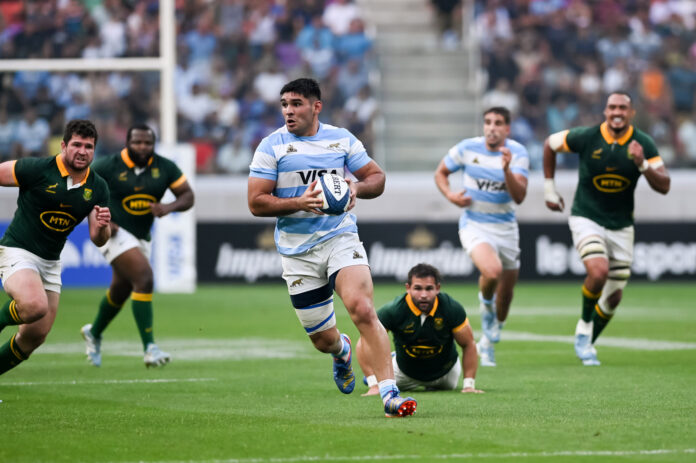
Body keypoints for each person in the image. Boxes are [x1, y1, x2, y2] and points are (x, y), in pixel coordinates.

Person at [247, 78, 416, 418]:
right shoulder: (271, 146)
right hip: (297, 252)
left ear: (316, 106)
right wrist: (299, 201)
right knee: (322, 340)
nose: (288, 111)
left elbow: (376, 178)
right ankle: (342, 352)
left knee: (362, 308)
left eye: (296, 104)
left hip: (340, 237)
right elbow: (256, 202)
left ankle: (389, 393)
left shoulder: (341, 139)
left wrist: (356, 189)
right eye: (284, 104)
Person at [543, 91, 670, 366]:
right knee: (598, 271)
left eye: (623, 108)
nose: (617, 112)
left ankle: (586, 341)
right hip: (586, 216)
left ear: (631, 113)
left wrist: (642, 164)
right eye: (612, 107)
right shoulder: (587, 136)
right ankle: (585, 325)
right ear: (605, 110)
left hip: (622, 225)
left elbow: (664, 186)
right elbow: (550, 144)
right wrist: (549, 189)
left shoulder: (643, 143)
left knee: (614, 297)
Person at [0, 119, 111, 376]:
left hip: (50, 262)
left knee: (35, 336)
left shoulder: (98, 187)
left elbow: (98, 238)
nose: (82, 151)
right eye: (77, 145)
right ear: (63, 145)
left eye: (89, 146)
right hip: (18, 250)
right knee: (34, 305)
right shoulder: (37, 169)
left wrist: (104, 226)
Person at [80, 124, 194, 368]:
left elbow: (188, 195)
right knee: (144, 278)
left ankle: (94, 332)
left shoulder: (165, 166)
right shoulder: (107, 166)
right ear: (127, 143)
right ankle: (150, 348)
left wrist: (168, 207)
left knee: (121, 290)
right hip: (112, 233)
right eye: (137, 142)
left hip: (142, 236)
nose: (143, 147)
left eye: (147, 143)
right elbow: (82, 192)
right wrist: (101, 219)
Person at [434, 107, 529, 367]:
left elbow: (519, 196)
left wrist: (507, 169)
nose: (492, 127)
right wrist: (451, 195)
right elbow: (440, 172)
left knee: (507, 295)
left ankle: (489, 338)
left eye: (498, 123)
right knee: (492, 271)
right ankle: (485, 305)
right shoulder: (467, 148)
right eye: (488, 122)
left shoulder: (518, 153)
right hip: (475, 224)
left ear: (507, 129)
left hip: (506, 228)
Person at [356, 263, 484, 396]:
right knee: (383, 381)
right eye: (417, 288)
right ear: (408, 288)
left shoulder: (451, 308)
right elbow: (364, 341)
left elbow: (468, 344)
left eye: (429, 289)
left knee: (448, 387)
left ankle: (391, 361)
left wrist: (469, 385)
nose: (423, 295)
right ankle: (387, 365)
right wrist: (374, 384)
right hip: (403, 373)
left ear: (437, 288)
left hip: (445, 375)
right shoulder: (393, 310)